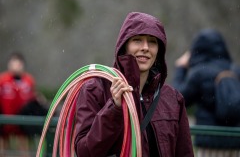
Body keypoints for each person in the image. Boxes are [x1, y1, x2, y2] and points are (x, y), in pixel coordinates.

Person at [74, 12, 193, 157]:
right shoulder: (95, 90)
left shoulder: (173, 98)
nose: (145, 47)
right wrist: (114, 109)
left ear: (158, 51)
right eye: (137, 40)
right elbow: (84, 152)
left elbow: (185, 153)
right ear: (124, 47)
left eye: (152, 42)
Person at [173, 29, 240, 156]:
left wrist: (180, 68)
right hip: (236, 142)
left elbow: (176, 99)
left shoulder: (200, 73)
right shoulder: (236, 70)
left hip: (210, 142)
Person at [0, 52, 36, 156]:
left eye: (18, 64)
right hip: (5, 120)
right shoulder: (2, 80)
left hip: (22, 121)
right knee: (3, 148)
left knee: (23, 148)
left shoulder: (28, 80)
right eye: (13, 64)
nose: (16, 67)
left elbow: (34, 98)